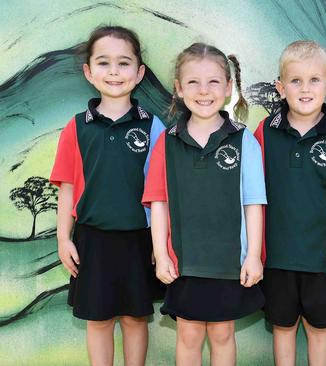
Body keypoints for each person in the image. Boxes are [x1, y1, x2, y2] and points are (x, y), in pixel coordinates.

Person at [142, 42, 266, 366]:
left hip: (228, 262)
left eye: (213, 82)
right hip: (184, 261)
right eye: (193, 82)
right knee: (189, 335)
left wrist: (253, 255)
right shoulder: (165, 142)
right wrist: (159, 253)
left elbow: (254, 203)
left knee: (223, 334)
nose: (204, 91)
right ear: (179, 89)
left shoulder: (244, 140)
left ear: (227, 88)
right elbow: (158, 202)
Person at [51, 25, 165, 366]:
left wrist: (162, 244)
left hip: (138, 239)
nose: (113, 71)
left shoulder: (152, 126)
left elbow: (161, 194)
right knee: (98, 319)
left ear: (139, 72)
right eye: (103, 62)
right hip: (92, 239)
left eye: (123, 62)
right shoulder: (76, 126)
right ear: (88, 72)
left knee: (134, 318)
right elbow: (67, 186)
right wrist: (62, 238)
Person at [253, 40, 326, 366]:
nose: (305, 88)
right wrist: (253, 253)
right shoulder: (263, 132)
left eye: (314, 80)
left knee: (318, 329)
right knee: (283, 328)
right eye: (295, 81)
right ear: (281, 88)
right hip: (277, 257)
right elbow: (252, 198)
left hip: (321, 258)